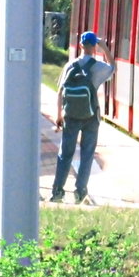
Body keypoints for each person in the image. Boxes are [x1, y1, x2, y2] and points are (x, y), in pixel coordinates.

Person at [51, 31, 113, 204]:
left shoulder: (70, 66)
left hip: (70, 116)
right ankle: (80, 192)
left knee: (65, 154)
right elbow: (112, 67)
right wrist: (104, 46)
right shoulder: (98, 67)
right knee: (87, 154)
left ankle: (57, 191)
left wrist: (59, 115)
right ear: (93, 47)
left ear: (80, 46)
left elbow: (60, 92)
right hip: (91, 117)